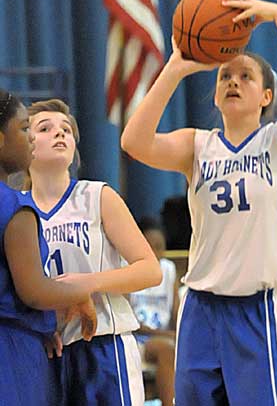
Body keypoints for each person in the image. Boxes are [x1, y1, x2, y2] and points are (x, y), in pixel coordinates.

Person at [121, 0, 277, 406]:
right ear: (215, 95)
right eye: (225, 77)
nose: (233, 81)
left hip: (260, 310)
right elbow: (134, 140)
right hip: (201, 307)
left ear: (266, 96)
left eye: (245, 76)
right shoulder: (197, 146)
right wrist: (177, 68)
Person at [26, 99, 162, 406]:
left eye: (66, 129)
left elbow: (149, 270)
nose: (59, 134)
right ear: (24, 143)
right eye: (45, 128)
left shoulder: (97, 196)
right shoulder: (16, 209)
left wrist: (85, 284)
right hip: (46, 349)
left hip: (104, 346)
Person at [0, 90, 96, 405]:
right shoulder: (15, 207)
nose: (29, 138)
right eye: (24, 128)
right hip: (12, 352)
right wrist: (78, 294)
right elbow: (34, 291)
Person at [130, 216, 179, 406]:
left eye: (159, 246)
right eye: (150, 246)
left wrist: (179, 333)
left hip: (165, 336)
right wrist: (167, 335)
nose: (155, 252)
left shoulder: (168, 269)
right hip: (138, 339)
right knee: (167, 349)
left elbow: (176, 312)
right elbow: (132, 323)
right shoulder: (128, 268)